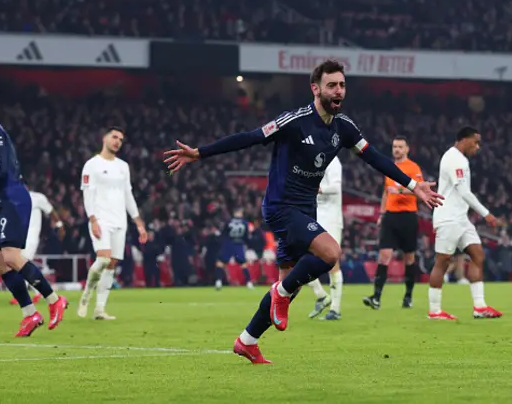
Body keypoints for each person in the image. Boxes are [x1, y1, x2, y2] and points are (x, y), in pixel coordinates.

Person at [164, 60, 443, 363]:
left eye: (342, 85)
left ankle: (247, 340)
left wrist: (414, 186)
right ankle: (279, 296)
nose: (339, 91)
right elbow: (251, 137)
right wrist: (200, 152)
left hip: (305, 211)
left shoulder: (344, 127)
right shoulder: (294, 121)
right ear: (315, 88)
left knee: (289, 283)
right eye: (332, 85)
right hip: (281, 207)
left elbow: (375, 158)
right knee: (330, 253)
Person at [0, 88, 68, 337]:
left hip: (14, 198)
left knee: (11, 256)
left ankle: (54, 300)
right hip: (4, 201)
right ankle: (30, 313)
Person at [429, 126, 502, 320]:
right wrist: (486, 214)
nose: (477, 147)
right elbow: (463, 192)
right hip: (448, 218)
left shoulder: (461, 159)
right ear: (463, 140)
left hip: (461, 219)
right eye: (475, 142)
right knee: (442, 261)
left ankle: (479, 307)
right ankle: (434, 311)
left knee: (478, 255)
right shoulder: (454, 159)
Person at [78, 126, 148, 320]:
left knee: (111, 265)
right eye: (114, 137)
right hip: (101, 219)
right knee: (103, 259)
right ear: (104, 138)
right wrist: (92, 219)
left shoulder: (123, 166)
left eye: (121, 139)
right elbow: (87, 194)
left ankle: (100, 309)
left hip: (120, 221)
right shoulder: (92, 164)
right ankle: (86, 295)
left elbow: (128, 195)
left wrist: (138, 223)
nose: (117, 141)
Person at [363, 136, 423, 310]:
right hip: (390, 216)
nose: (396, 149)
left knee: (409, 258)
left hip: (408, 216)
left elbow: (420, 192)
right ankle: (376, 298)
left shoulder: (413, 168)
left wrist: (400, 189)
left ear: (407, 149)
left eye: (400, 147)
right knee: (384, 256)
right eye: (395, 146)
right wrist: (382, 213)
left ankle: (408, 297)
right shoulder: (389, 167)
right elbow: (385, 193)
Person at [9, 187, 65, 305]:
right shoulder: (14, 200)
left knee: (22, 262)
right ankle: (36, 291)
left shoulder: (37, 198)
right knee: (21, 264)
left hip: (31, 237)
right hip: (19, 237)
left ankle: (23, 294)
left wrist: (60, 225)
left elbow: (51, 211)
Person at [307, 157, 344, 320]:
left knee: (332, 263)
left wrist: (318, 189)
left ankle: (335, 309)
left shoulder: (333, 162)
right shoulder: (313, 159)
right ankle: (321, 295)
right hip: (316, 217)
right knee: (299, 258)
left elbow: (336, 187)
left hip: (331, 218)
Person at [215, 209, 254, 290]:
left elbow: (223, 233)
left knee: (220, 262)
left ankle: (218, 282)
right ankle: (249, 283)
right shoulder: (245, 223)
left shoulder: (228, 221)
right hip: (239, 244)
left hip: (229, 243)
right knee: (243, 263)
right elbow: (246, 236)